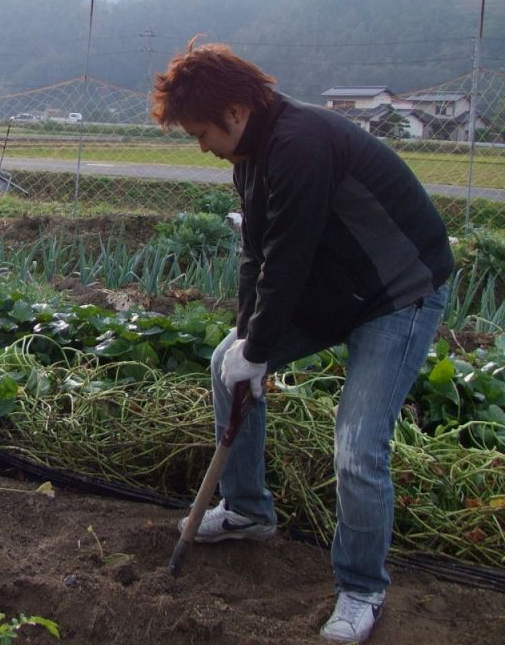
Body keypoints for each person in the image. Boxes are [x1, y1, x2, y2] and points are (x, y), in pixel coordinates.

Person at [151, 38, 453, 644]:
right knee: (226, 361)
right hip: (338, 289)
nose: (202, 146)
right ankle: (246, 510)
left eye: (200, 133)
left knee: (358, 448)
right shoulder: (251, 156)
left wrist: (261, 349)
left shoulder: (301, 144)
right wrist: (247, 341)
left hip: (399, 292)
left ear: (234, 112)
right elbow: (256, 258)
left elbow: (288, 260)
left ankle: (361, 588)